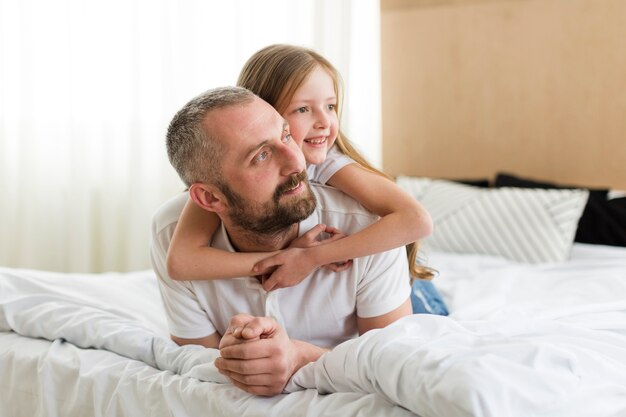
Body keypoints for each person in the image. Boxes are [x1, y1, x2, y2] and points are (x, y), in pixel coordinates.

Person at [150, 86, 413, 396]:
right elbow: (200, 366)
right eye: (260, 155)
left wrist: (299, 357)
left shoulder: (367, 225)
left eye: (287, 135)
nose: (297, 162)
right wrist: (237, 359)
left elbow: (394, 367)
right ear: (209, 197)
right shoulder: (170, 232)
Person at [165, 44, 434, 292]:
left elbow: (416, 220)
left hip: (414, 290)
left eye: (330, 106)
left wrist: (312, 256)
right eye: (303, 109)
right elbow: (182, 261)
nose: (324, 121)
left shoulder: (330, 161)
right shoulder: (228, 185)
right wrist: (285, 260)